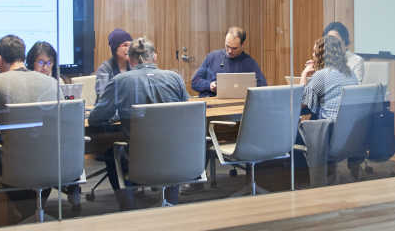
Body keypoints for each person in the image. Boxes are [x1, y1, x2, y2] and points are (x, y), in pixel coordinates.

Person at [0, 35, 64, 219]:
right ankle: (32, 213)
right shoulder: (53, 83)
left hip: (15, 168)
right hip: (54, 164)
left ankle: (22, 214)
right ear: (23, 57)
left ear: (0, 59)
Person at [85, 37, 190, 209]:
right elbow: (187, 113)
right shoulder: (175, 78)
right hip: (176, 155)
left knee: (112, 152)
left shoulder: (120, 81)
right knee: (169, 147)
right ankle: (172, 203)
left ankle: (129, 210)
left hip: (137, 158)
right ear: (155, 57)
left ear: (130, 59)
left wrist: (117, 114)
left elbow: (96, 118)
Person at [189, 27, 267, 97]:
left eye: (234, 48)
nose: (229, 51)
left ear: (242, 45)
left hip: (236, 106)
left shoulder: (249, 63)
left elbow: (262, 87)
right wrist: (209, 86)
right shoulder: (212, 57)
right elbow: (195, 82)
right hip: (212, 103)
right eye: (227, 46)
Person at [300, 35, 359, 121]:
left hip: (328, 130)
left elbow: (301, 103)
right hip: (349, 128)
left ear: (321, 55)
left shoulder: (321, 75)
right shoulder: (350, 72)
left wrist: (304, 73)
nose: (313, 55)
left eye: (314, 52)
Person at [94, 29, 134, 97]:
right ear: (115, 48)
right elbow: (102, 95)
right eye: (125, 45)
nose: (129, 49)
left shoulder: (134, 66)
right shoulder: (104, 69)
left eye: (130, 45)